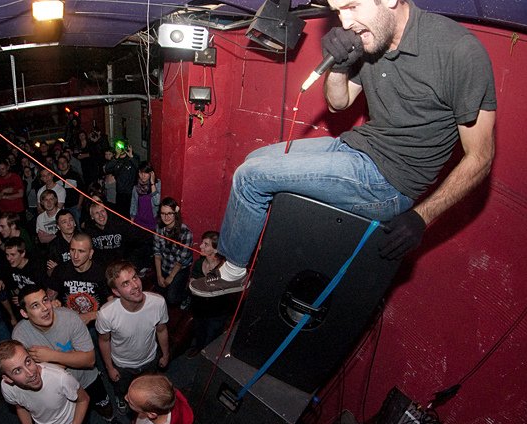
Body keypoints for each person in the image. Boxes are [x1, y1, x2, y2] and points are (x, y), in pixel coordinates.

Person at [189, 0, 496, 298]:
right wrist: (338, 66)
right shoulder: (371, 36)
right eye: (338, 12)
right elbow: (339, 103)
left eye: (351, 7)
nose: (345, 23)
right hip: (357, 146)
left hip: (387, 181)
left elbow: (480, 157)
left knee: (251, 177)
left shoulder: (458, 51)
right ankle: (255, 245)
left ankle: (234, 273)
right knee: (253, 160)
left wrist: (422, 216)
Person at [12, 285, 125, 424]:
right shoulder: (20, 336)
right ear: (24, 313)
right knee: (74, 421)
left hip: (86, 378)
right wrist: (73, 356)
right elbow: (31, 373)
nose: (45, 308)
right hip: (57, 388)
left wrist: (51, 356)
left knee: (104, 406)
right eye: (35, 306)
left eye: (45, 300)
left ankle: (110, 419)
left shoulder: (69, 318)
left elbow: (89, 360)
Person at [96, 261, 170, 415]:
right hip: (122, 365)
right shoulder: (106, 314)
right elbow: (104, 341)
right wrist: (110, 368)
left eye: (135, 277)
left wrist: (165, 354)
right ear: (116, 292)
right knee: (122, 389)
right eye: (126, 283)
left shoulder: (158, 302)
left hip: (150, 359)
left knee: (147, 392)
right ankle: (121, 398)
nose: (135, 285)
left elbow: (162, 330)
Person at [186, 231, 234, 358]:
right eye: (202, 243)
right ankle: (198, 348)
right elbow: (192, 286)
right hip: (199, 308)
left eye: (206, 244)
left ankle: (206, 356)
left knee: (211, 337)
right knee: (199, 331)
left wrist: (202, 288)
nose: (200, 246)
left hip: (216, 313)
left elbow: (221, 294)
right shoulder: (199, 263)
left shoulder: (224, 269)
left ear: (216, 250)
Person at [47, 233, 110, 327]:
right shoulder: (61, 270)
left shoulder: (102, 272)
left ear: (90, 253)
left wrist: (92, 315)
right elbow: (49, 299)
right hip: (68, 323)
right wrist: (53, 304)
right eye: (72, 250)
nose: (75, 256)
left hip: (95, 325)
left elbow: (114, 306)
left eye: (81, 251)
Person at [153, 198, 193, 308]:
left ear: (175, 213)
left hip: (179, 269)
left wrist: (170, 277)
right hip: (165, 265)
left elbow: (180, 260)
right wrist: (159, 275)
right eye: (163, 213)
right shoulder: (159, 228)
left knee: (172, 298)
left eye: (170, 213)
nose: (166, 217)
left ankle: (187, 295)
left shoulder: (185, 233)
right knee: (159, 296)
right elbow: (157, 253)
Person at [46, 210, 76, 275]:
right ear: (58, 227)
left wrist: (59, 267)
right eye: (64, 222)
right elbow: (49, 272)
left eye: (71, 220)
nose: (69, 224)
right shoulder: (54, 245)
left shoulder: (83, 240)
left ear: (74, 222)